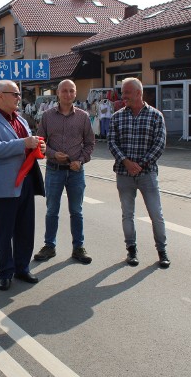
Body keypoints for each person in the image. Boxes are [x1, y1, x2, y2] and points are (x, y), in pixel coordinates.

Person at [0, 80, 46, 291]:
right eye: (15, 94)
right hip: (4, 185)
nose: (19, 97)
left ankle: (22, 267)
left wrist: (38, 145)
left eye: (19, 94)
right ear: (0, 96)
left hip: (25, 181)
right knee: (4, 232)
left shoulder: (21, 120)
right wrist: (24, 143)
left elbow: (27, 144)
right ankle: (5, 272)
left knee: (25, 229)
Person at [108, 78, 170, 268]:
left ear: (138, 93)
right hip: (124, 173)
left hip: (147, 174)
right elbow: (112, 142)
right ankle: (132, 251)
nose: (123, 96)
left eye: (126, 92)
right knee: (128, 214)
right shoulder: (117, 116)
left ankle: (162, 251)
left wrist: (140, 164)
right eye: (122, 92)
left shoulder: (155, 116)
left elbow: (159, 144)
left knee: (156, 214)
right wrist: (126, 162)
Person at [34, 79, 95, 264]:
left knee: (76, 211)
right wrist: (52, 154)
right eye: (64, 91)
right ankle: (49, 246)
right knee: (52, 210)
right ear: (58, 93)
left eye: (71, 91)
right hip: (54, 169)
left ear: (75, 94)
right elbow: (40, 143)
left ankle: (78, 247)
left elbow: (90, 143)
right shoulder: (47, 116)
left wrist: (80, 160)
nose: (68, 94)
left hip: (76, 171)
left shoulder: (83, 117)